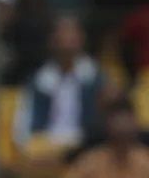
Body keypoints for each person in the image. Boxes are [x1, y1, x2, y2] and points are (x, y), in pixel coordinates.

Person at [13, 15, 106, 155]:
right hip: (47, 146)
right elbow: (23, 124)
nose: (67, 41)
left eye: (72, 35)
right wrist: (28, 146)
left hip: (84, 146)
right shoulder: (38, 81)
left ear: (82, 39)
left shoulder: (96, 79)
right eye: (62, 35)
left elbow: (105, 122)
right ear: (52, 41)